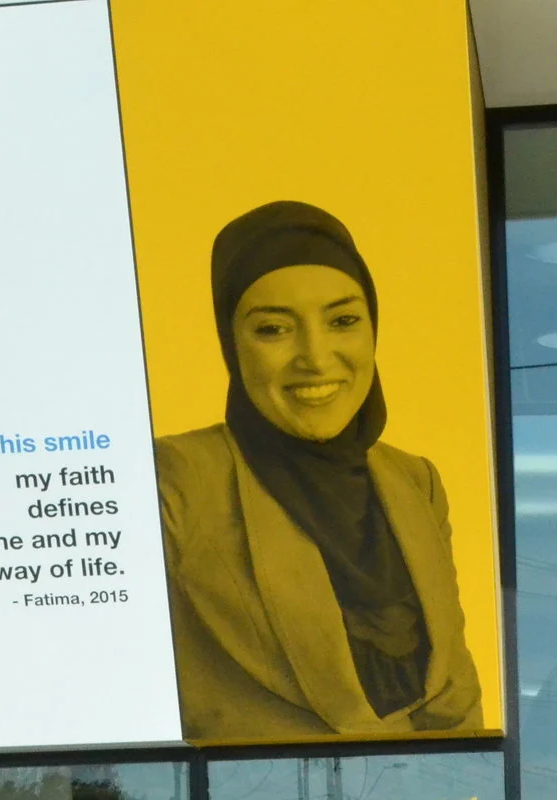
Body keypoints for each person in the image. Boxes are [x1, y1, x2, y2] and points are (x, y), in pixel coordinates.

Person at [156, 201, 485, 745]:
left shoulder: (414, 481)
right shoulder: (177, 480)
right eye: (274, 329)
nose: (316, 356)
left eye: (343, 321)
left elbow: (455, 695)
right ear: (230, 345)